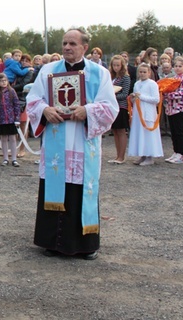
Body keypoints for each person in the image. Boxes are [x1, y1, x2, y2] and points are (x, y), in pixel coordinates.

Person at [26, 28, 118, 260]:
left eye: (72, 44)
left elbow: (110, 107)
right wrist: (45, 109)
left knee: (80, 189)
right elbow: (33, 99)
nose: (66, 47)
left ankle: (85, 245)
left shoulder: (99, 73)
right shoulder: (48, 70)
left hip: (82, 141)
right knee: (55, 184)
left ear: (84, 47)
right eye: (64, 43)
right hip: (57, 138)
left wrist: (87, 110)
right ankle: (51, 242)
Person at [128, 63, 163, 166]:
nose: (142, 74)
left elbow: (156, 99)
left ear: (149, 73)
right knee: (140, 133)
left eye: (144, 72)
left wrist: (141, 97)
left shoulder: (152, 84)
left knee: (148, 134)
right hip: (138, 113)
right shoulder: (137, 84)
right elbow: (135, 99)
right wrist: (133, 98)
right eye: (140, 72)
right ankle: (142, 154)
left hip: (148, 112)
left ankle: (149, 156)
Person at [163, 56, 183, 164]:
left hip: (179, 107)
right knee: (174, 131)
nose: (177, 68)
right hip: (170, 108)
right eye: (175, 66)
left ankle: (181, 154)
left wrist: (169, 94)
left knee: (179, 131)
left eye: (180, 66)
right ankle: (175, 152)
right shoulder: (174, 77)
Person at [0, 73, 22, 167]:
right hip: (1, 120)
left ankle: (14, 159)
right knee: (3, 139)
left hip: (11, 119)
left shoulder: (11, 91)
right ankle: (5, 158)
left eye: (5, 80)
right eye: (1, 81)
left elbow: (16, 105)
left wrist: (17, 119)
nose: (3, 82)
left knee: (13, 138)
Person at [107, 55, 131, 164]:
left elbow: (125, 94)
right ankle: (117, 156)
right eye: (114, 65)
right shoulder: (110, 77)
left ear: (122, 66)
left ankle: (121, 156)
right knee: (115, 131)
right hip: (112, 107)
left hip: (121, 106)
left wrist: (111, 96)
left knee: (121, 131)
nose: (116, 67)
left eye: (118, 65)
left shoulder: (125, 77)